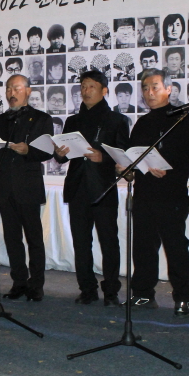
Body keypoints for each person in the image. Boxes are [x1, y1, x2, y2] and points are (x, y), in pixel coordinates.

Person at [118, 68, 189, 316]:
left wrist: (168, 169)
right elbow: (132, 154)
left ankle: (182, 297)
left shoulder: (182, 119)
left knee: (176, 247)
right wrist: (126, 168)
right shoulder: (142, 122)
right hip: (144, 193)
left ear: (168, 89)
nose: (149, 92)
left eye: (155, 87)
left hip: (171, 194)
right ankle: (143, 293)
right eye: (145, 88)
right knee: (143, 247)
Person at [53, 71, 129, 305]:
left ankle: (111, 291)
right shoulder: (73, 121)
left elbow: (123, 157)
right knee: (81, 242)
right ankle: (87, 288)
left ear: (104, 90)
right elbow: (63, 157)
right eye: (83, 86)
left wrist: (103, 158)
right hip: (77, 187)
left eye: (91, 86)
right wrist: (60, 154)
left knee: (109, 241)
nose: (85, 91)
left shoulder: (117, 120)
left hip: (104, 187)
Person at [0, 74, 53, 301]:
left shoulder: (41, 119)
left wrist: (28, 151)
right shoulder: (0, 120)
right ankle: (19, 282)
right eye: (8, 89)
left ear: (28, 91)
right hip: (5, 186)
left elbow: (47, 151)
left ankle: (37, 285)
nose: (11, 93)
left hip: (28, 186)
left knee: (34, 238)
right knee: (12, 239)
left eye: (16, 88)